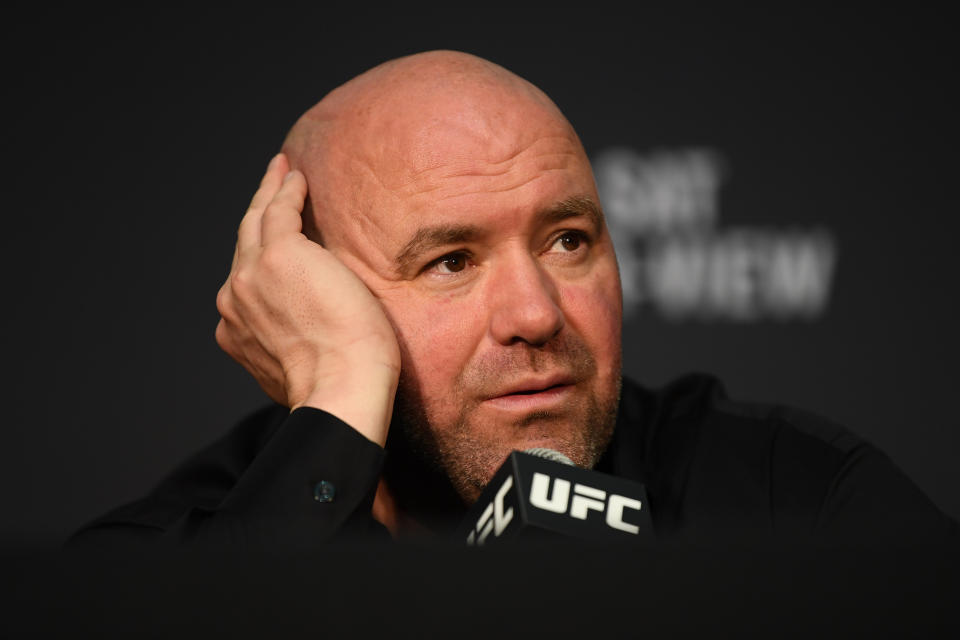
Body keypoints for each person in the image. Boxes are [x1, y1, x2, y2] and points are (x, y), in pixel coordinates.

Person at [69, 50, 956, 548]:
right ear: (314, 292)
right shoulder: (161, 558)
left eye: (568, 241)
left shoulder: (793, 502)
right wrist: (340, 390)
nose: (536, 316)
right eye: (450, 261)